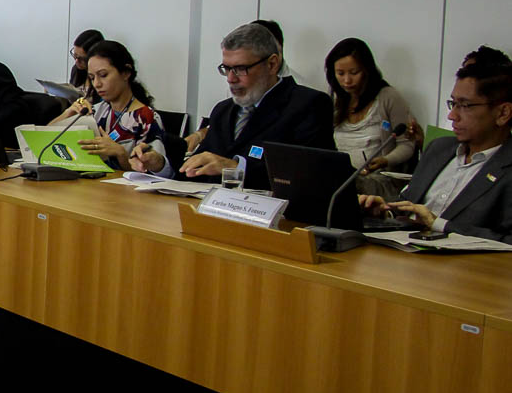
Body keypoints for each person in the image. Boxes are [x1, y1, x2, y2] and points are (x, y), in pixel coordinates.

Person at [360, 54, 512, 242]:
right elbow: (408, 206)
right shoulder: (439, 148)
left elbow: (508, 240)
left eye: (465, 105)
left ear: (503, 113)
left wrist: (439, 224)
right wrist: (384, 212)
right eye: (453, 103)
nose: (452, 116)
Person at [181, 22, 333, 188]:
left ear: (272, 64)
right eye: (227, 68)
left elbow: (312, 176)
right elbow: (195, 170)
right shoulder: (222, 110)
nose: (231, 78)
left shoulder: (308, 105)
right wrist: (164, 165)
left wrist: (236, 169)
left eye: (240, 68)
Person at [51, 40, 170, 174]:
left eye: (103, 75)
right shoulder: (96, 111)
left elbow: (155, 175)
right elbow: (44, 141)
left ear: (126, 73)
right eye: (92, 78)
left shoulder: (146, 118)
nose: (97, 84)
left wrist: (121, 154)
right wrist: (68, 112)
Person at [325, 37, 416, 198]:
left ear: (367, 70)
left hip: (379, 181)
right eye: (340, 73)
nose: (347, 80)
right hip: (341, 176)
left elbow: (407, 145)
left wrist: (385, 160)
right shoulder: (335, 98)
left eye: (354, 73)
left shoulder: (388, 97)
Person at [68, 28, 104, 99]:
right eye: (75, 56)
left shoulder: (101, 77)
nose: (77, 61)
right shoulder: (76, 69)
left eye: (82, 59)